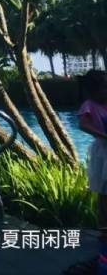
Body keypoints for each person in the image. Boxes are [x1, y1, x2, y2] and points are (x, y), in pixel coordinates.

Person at [77, 69, 107, 275]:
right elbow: (83, 124)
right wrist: (104, 136)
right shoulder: (89, 105)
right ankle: (104, 230)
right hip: (103, 153)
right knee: (104, 194)